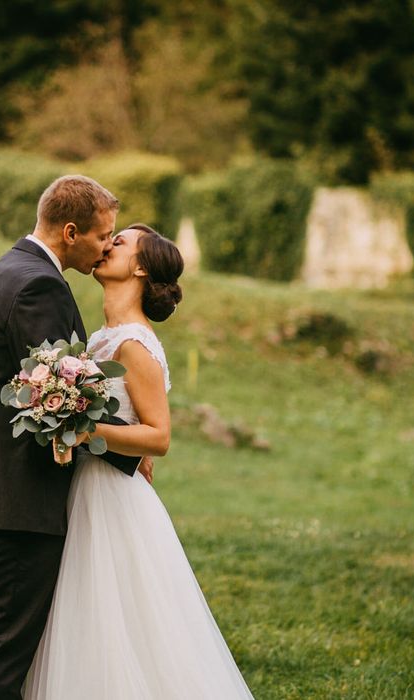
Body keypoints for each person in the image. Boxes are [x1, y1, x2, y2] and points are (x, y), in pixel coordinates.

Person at [24, 224, 255, 699]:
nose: (108, 245)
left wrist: (81, 426)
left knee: (116, 620)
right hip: (84, 486)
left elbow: (159, 435)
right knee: (85, 617)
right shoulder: (103, 338)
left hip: (110, 498)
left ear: (142, 267)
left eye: (121, 242)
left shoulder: (134, 343)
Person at [0, 175, 148, 699]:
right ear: (71, 231)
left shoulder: (8, 268)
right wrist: (136, 447)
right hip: (16, 501)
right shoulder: (40, 285)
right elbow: (59, 398)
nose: (106, 246)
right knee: (2, 658)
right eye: (105, 235)